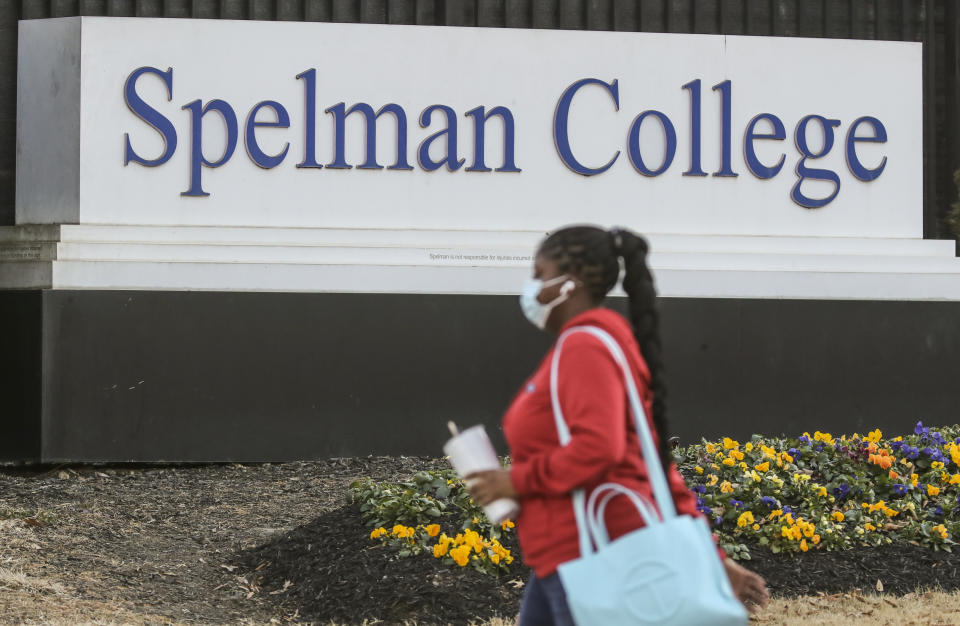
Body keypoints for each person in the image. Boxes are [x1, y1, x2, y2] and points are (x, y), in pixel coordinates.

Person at [466, 225, 769, 626]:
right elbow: (654, 465)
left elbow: (600, 448)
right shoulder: (596, 347)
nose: (532, 288)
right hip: (568, 555)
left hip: (589, 556)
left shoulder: (585, 348)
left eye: (540, 275)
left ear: (568, 285)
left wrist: (516, 481)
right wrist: (714, 557)